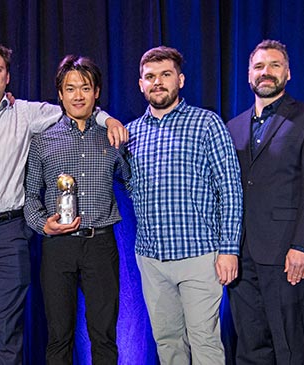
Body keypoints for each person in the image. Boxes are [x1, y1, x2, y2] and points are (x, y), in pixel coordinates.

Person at [0, 41, 128, 364]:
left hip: (28, 236)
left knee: (16, 331)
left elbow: (82, 113)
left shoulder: (32, 116)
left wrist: (108, 119)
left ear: (8, 76)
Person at [124, 46, 242, 364]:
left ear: (181, 79)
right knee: (167, 342)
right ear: (140, 84)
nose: (158, 82)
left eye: (165, 75)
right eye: (150, 76)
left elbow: (230, 189)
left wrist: (229, 249)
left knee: (204, 340)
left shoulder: (206, 124)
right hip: (151, 257)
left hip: (199, 255)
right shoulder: (130, 134)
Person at [225, 39, 304, 364]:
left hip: (286, 253)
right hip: (241, 255)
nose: (266, 73)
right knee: (249, 343)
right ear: (248, 75)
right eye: (259, 66)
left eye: (274, 66)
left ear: (288, 73)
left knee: (288, 344)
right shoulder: (232, 126)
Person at [24, 55, 130, 365]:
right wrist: (44, 225)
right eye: (70, 89)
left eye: (85, 88)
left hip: (100, 243)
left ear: (96, 92)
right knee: (59, 335)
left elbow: (131, 182)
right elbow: (30, 195)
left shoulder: (112, 135)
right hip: (58, 246)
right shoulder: (42, 139)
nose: (78, 95)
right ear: (60, 94)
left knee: (104, 335)